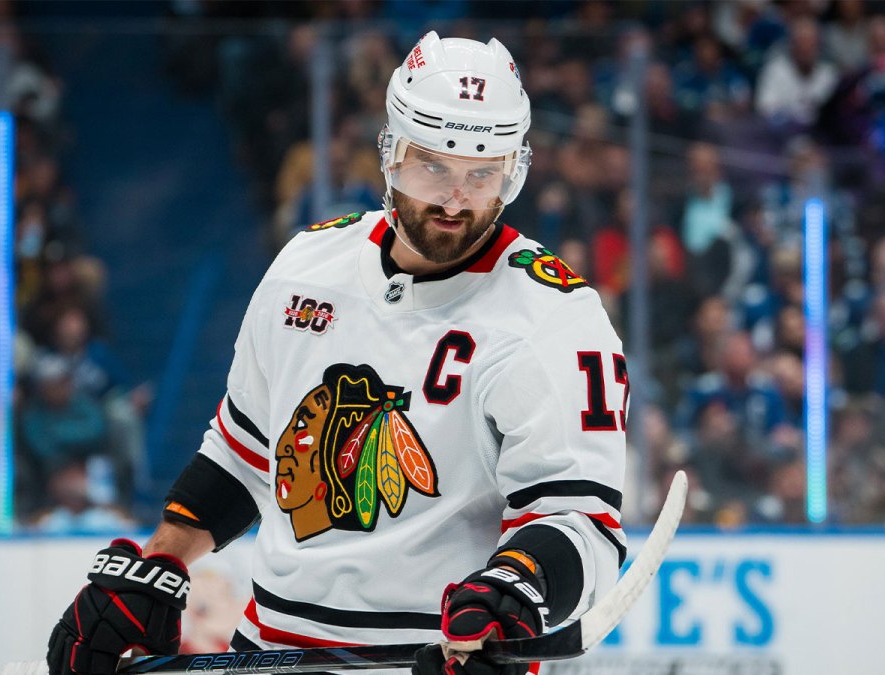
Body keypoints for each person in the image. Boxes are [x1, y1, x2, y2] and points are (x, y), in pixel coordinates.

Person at [46, 32, 629, 675]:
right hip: (270, 650)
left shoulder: (554, 317)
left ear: (513, 172)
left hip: (441, 660)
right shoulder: (308, 266)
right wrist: (159, 562)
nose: (455, 200)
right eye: (432, 165)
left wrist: (515, 593)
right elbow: (244, 455)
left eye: (481, 174)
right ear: (390, 154)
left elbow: (581, 521)